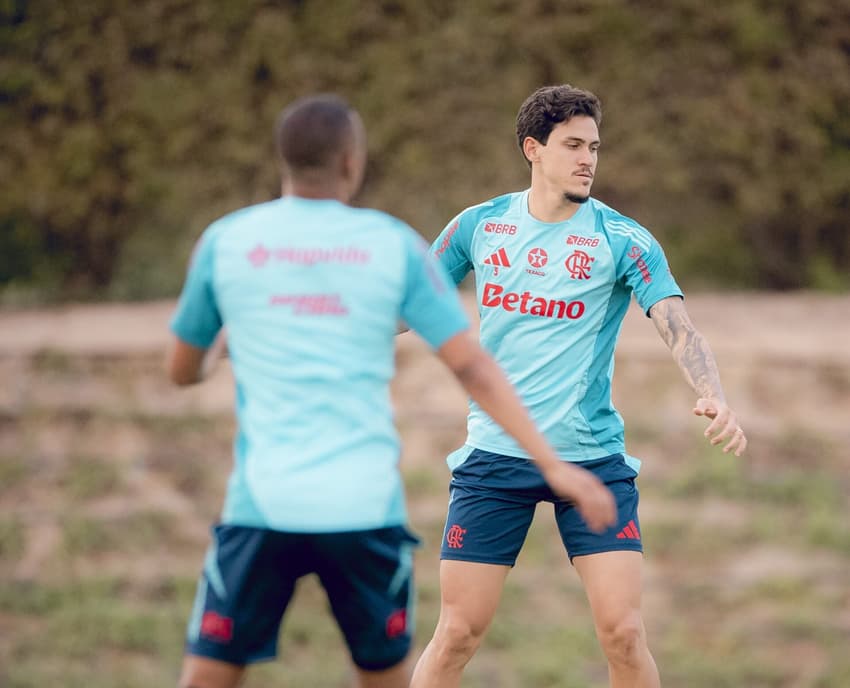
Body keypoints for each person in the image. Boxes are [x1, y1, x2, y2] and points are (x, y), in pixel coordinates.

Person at [166, 94, 617, 688]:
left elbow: (180, 370)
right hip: (363, 511)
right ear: (351, 162)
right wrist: (554, 465)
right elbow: (472, 367)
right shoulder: (393, 245)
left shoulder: (224, 242)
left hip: (260, 509)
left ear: (282, 161)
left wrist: (220, 351)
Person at [411, 84, 748, 688]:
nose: (588, 158)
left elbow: (679, 326)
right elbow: (407, 305)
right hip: (495, 456)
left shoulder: (623, 239)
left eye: (594, 146)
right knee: (457, 634)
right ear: (532, 149)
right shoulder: (478, 226)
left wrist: (714, 393)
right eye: (572, 145)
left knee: (624, 634)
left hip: (591, 457)